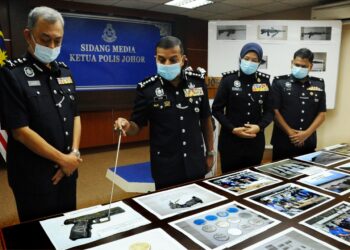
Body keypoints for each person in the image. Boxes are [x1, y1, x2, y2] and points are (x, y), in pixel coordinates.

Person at [0, 6, 82, 222]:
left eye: (58, 40)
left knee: (67, 226)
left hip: (68, 170)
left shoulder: (64, 72)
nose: (52, 46)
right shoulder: (12, 74)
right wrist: (62, 160)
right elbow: (20, 131)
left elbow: (75, 115)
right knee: (37, 236)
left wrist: (73, 155)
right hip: (34, 175)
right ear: (29, 35)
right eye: (45, 40)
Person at [115, 36, 214, 189]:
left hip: (195, 162)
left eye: (173, 60)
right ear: (156, 59)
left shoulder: (198, 83)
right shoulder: (147, 89)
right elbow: (137, 125)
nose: (167, 64)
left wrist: (210, 153)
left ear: (183, 60)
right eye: (161, 60)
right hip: (166, 166)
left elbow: (206, 119)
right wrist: (127, 125)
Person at [212, 42, 273, 174]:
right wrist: (232, 129)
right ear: (240, 59)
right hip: (230, 141)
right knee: (228, 180)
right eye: (246, 59)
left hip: (255, 141)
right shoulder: (228, 80)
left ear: (259, 63)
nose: (249, 62)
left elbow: (270, 111)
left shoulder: (264, 82)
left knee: (252, 179)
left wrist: (260, 126)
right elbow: (217, 109)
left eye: (254, 60)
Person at [271, 48, 326, 161]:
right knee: (279, 174)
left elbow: (322, 114)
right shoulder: (279, 82)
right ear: (292, 63)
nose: (299, 68)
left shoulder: (318, 84)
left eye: (304, 66)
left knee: (306, 176)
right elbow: (274, 111)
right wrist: (291, 133)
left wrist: (305, 134)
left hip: (308, 142)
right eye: (297, 64)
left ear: (310, 66)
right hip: (283, 141)